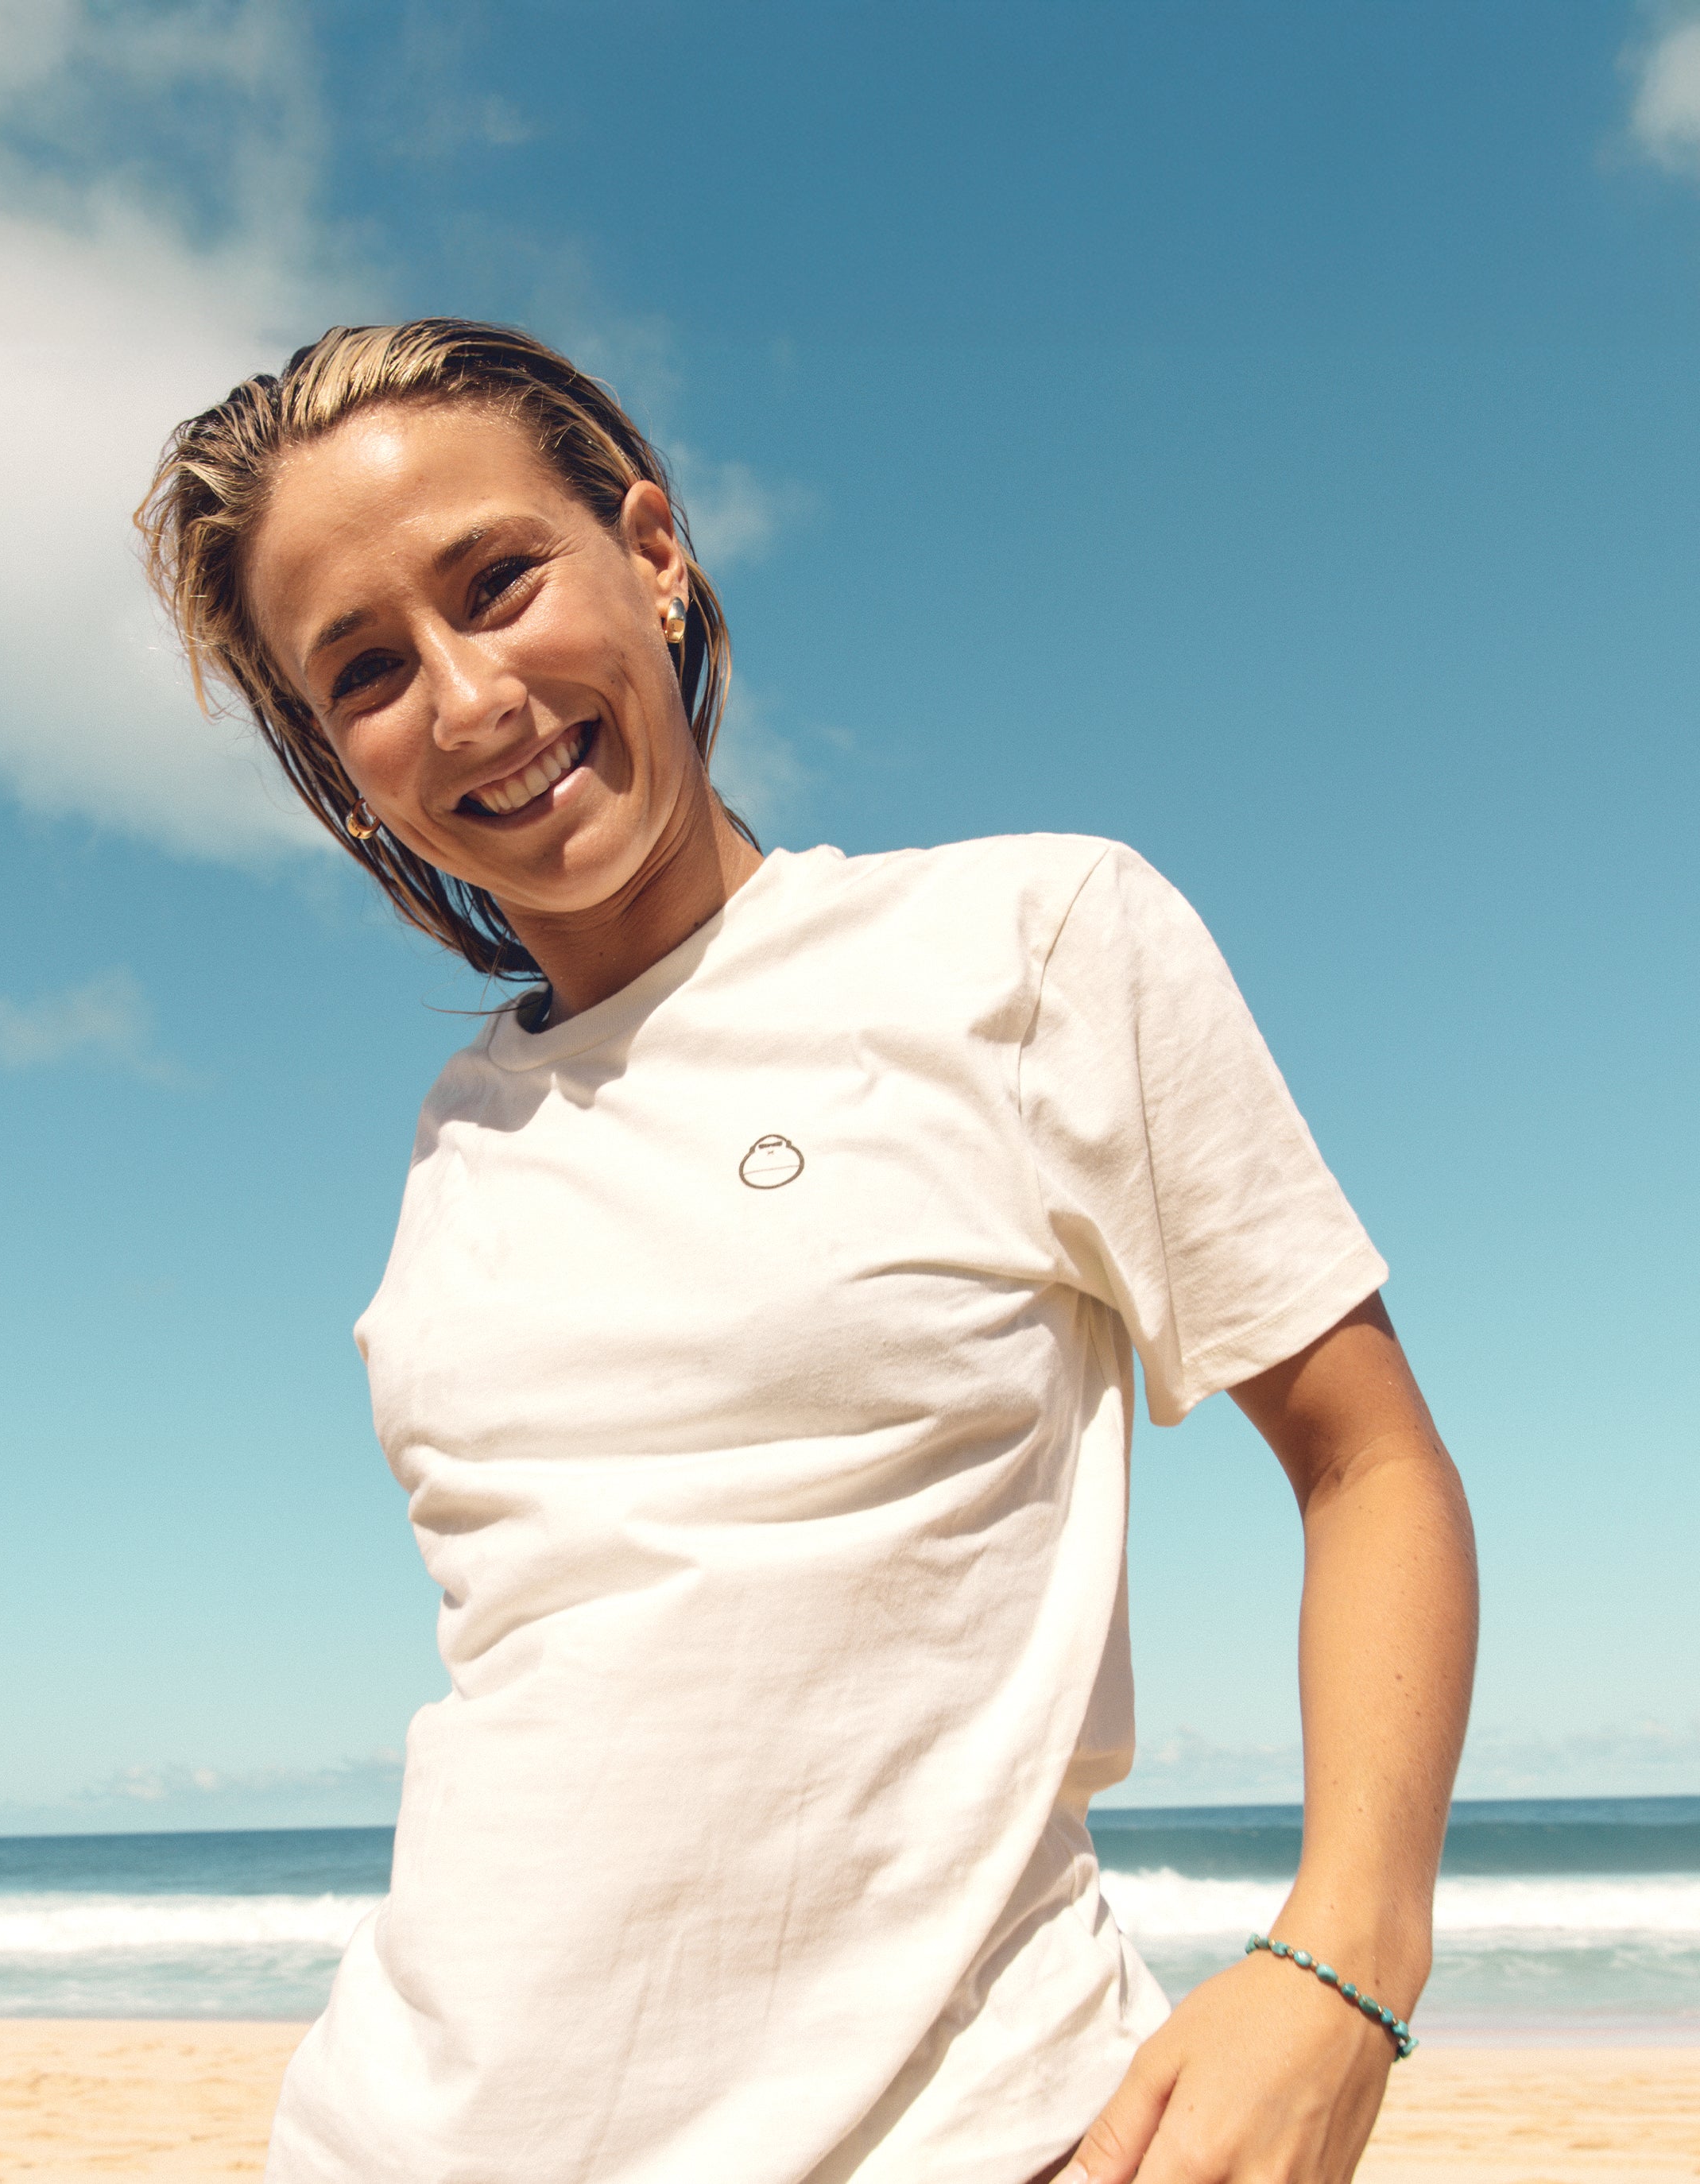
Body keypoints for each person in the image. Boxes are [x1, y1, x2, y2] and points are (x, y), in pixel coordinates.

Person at [138, 320, 1478, 2184]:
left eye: (498, 581)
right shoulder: (461, 1136)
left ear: (654, 554)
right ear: (338, 769)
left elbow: (1370, 1464)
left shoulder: (1029, 945)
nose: (467, 697)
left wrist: (1347, 1962)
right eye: (366, 669)